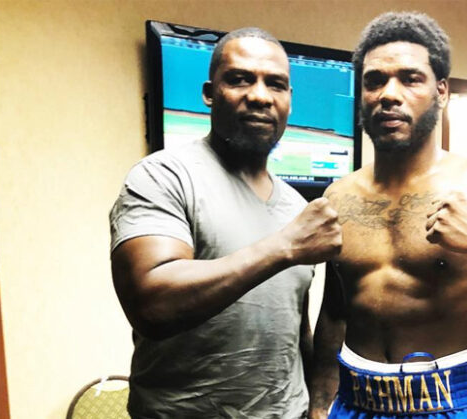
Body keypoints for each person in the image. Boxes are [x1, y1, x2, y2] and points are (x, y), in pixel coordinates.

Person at [308, 12, 467, 419]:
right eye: (374, 80)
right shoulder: (338, 197)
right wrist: (320, 404)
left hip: (454, 401)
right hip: (354, 402)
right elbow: (335, 313)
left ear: (441, 91)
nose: (389, 94)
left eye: (410, 78)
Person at [110, 27, 342, 418]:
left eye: (276, 84)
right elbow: (152, 304)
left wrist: (317, 407)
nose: (259, 95)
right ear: (209, 93)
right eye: (239, 79)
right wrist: (285, 247)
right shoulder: (163, 176)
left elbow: (291, 325)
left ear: (288, 101)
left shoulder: (293, 207)